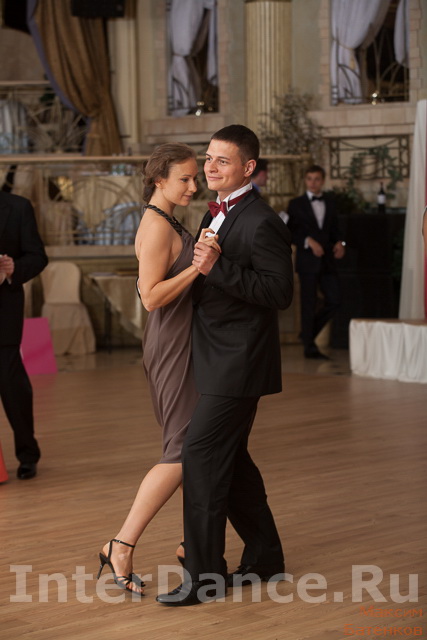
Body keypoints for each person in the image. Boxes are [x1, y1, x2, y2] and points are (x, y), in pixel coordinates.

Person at [157, 124, 294, 607]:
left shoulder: (262, 220)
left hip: (240, 361)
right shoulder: (215, 212)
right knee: (232, 462)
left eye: (222, 160)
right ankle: (266, 558)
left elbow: (280, 293)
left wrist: (220, 268)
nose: (210, 167)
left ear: (248, 168)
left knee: (200, 456)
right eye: (208, 158)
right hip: (214, 355)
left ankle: (203, 577)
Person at [97, 143, 220, 596]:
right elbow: (149, 297)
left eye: (195, 177)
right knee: (182, 449)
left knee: (191, 446)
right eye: (185, 178)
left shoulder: (167, 221)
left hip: (182, 341)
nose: (194, 185)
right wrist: (200, 266)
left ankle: (191, 543)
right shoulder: (155, 226)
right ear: (158, 180)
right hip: (171, 343)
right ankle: (122, 544)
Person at [0, 191, 48, 480]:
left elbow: (38, 256)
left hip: (3, 314)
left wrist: (13, 269)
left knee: (12, 386)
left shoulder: (18, 207)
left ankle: (28, 454)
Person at [287, 165, 345, 359]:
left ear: (323, 181)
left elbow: (335, 229)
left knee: (335, 300)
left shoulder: (330, 202)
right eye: (310, 178)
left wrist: (341, 243)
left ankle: (307, 334)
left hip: (328, 260)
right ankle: (309, 347)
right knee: (308, 303)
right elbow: (289, 233)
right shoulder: (295, 204)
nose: (313, 183)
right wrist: (308, 241)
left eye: (317, 179)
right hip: (307, 261)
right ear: (305, 180)